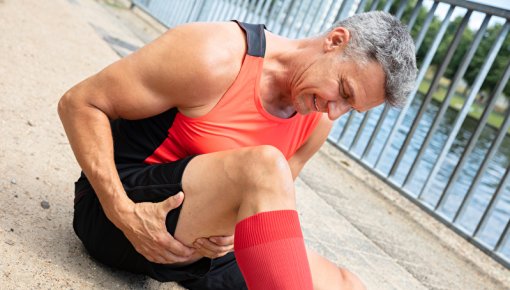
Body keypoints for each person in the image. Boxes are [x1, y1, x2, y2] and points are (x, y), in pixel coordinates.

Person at [58, 10, 416, 290]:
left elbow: (264, 203)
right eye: (345, 92)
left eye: (350, 109)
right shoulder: (215, 54)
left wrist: (232, 232)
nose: (335, 111)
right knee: (263, 166)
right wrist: (122, 211)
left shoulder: (318, 120)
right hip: (120, 217)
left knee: (347, 285)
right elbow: (80, 103)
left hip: (200, 250)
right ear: (335, 40)